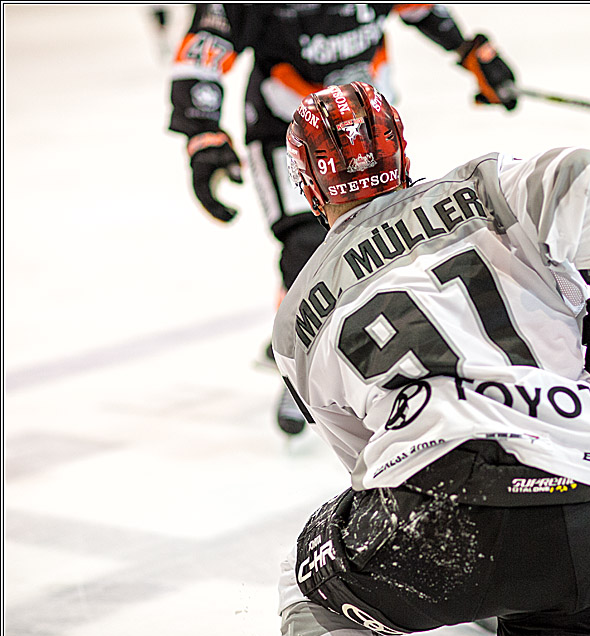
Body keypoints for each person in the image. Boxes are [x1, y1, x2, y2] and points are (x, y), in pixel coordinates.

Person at [271, 82, 590, 636]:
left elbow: (367, 466)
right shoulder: (484, 187)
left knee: (308, 580)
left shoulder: (296, 320)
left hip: (434, 511)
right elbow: (589, 177)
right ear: (400, 151)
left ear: (308, 184)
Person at [167, 4, 518, 436]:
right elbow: (204, 51)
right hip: (288, 135)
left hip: (368, 132)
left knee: (385, 236)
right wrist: (202, 132)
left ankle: (386, 339)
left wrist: (471, 52)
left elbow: (423, 11)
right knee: (306, 250)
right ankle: (307, 357)